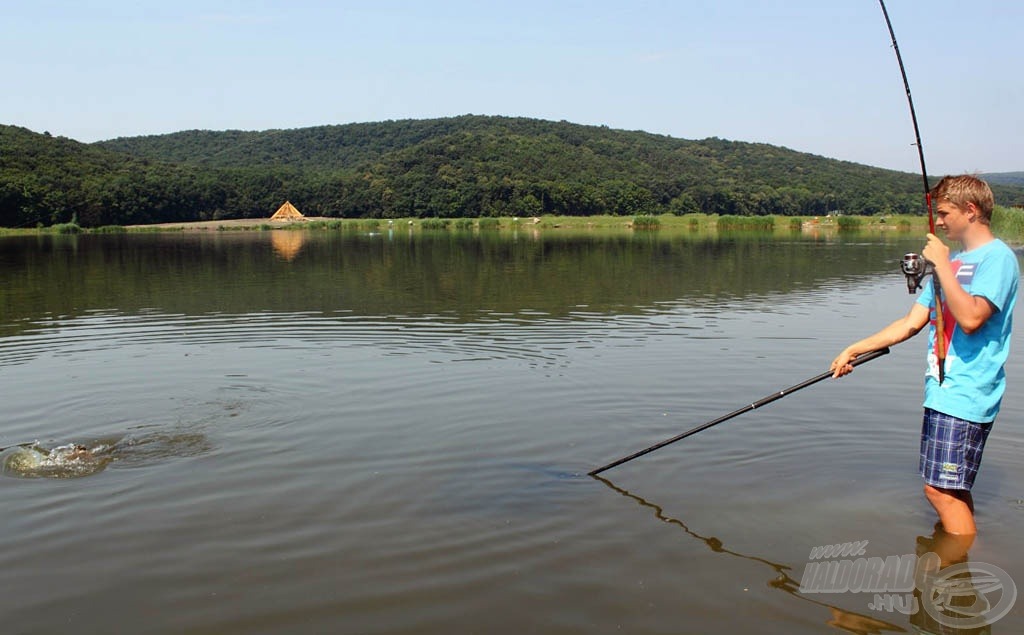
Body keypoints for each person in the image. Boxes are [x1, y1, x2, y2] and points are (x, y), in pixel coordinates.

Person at [830, 175, 1019, 536]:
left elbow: (971, 319)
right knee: (951, 488)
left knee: (938, 490)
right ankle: (960, 565)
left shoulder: (997, 259)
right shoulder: (955, 263)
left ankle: (961, 567)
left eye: (945, 213)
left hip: (967, 392)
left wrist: (943, 267)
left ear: (971, 210)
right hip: (942, 390)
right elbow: (911, 323)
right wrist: (854, 348)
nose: (941, 221)